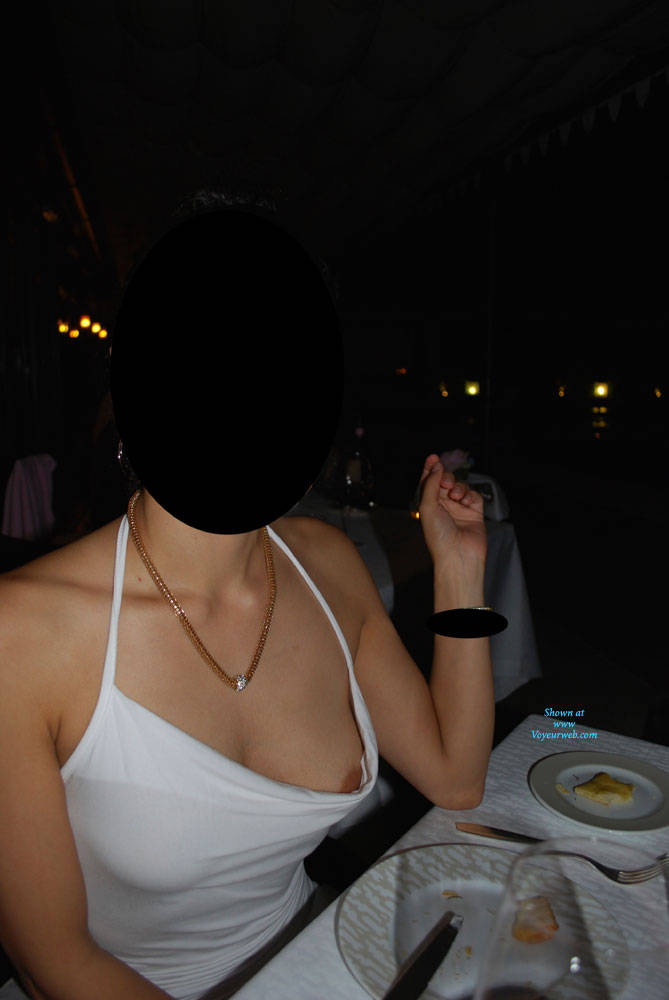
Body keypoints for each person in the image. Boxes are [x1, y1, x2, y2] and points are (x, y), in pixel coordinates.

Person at [0, 204, 493, 1000]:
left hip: (316, 960)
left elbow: (457, 779)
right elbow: (55, 962)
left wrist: (460, 572)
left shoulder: (328, 565)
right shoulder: (20, 632)